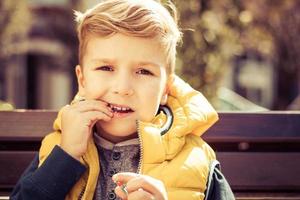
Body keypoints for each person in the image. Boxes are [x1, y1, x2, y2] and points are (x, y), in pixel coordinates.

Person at [10, 0, 234, 199]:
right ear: (83, 80)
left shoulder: (196, 162)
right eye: (106, 68)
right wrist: (65, 157)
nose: (123, 88)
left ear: (166, 88)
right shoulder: (57, 148)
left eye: (144, 72)